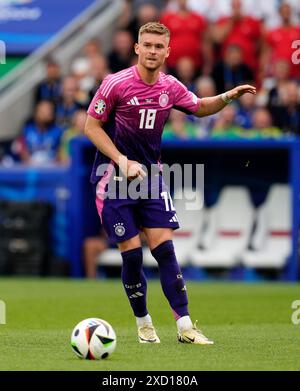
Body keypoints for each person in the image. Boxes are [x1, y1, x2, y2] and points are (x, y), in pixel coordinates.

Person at [84, 22, 256, 344]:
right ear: (137, 48)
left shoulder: (170, 86)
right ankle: (144, 322)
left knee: (164, 249)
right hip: (113, 180)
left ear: (167, 51)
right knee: (133, 256)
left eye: (158, 47)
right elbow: (91, 128)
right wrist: (122, 160)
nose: (152, 51)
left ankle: (185, 327)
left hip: (150, 178)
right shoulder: (115, 84)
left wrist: (227, 97)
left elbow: (200, 107)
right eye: (146, 45)